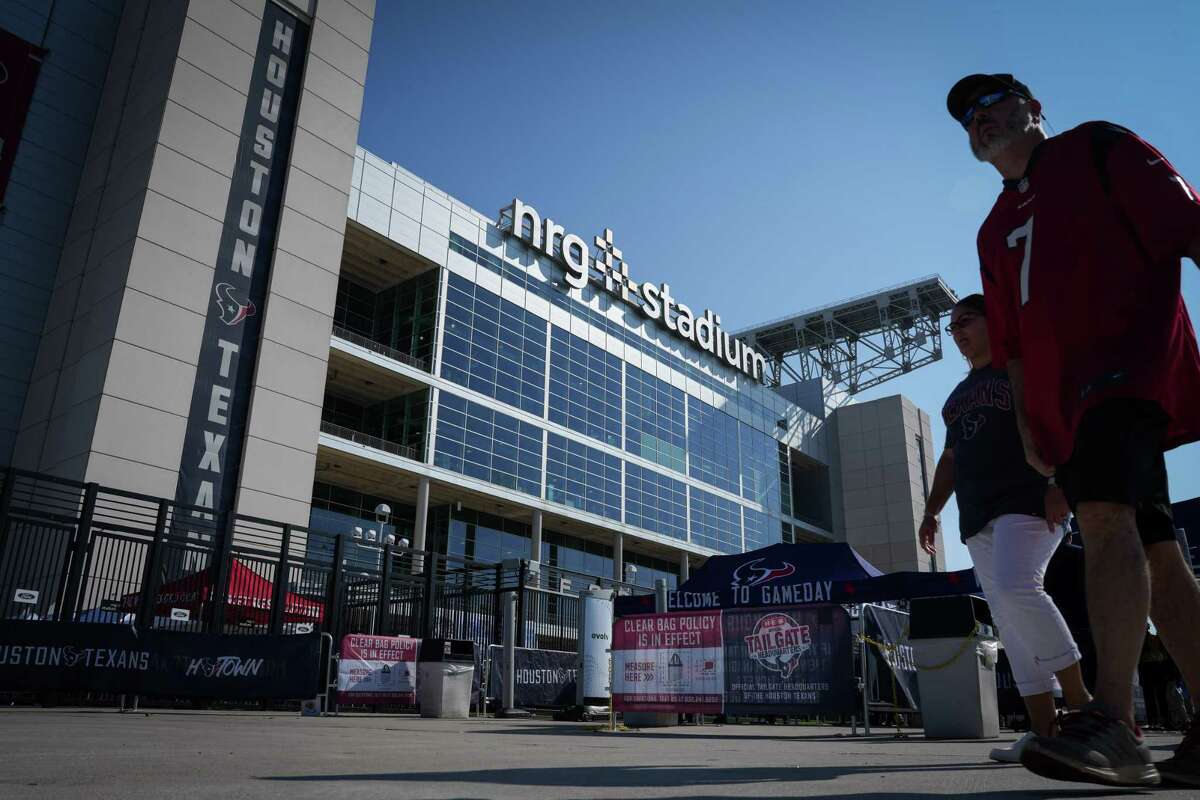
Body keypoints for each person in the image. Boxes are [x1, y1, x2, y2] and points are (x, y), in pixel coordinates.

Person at [948, 72, 1200, 787]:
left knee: (1108, 519)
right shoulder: (993, 230)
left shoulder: (1098, 149)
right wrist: (1029, 424)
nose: (978, 121)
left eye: (991, 105)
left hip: (1127, 367)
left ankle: (1112, 720)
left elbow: (1189, 224)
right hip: (1066, 405)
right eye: (967, 119)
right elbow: (1017, 344)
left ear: (1033, 107)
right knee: (1157, 548)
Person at [920, 293, 1090, 763]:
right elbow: (950, 460)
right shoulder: (955, 398)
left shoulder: (1020, 371)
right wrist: (933, 511)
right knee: (1010, 622)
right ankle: (1044, 733)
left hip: (1028, 499)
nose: (957, 333)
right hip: (976, 516)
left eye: (965, 321)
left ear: (995, 321)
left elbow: (1055, 425)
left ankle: (1089, 711)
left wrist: (1058, 481)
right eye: (951, 328)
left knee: (1019, 588)